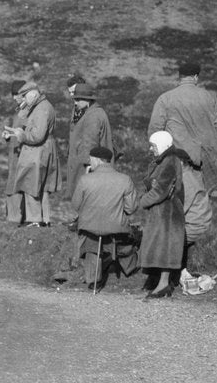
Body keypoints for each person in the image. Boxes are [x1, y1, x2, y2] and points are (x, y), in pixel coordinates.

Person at [147, 61, 217, 271]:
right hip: (204, 163)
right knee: (200, 210)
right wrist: (211, 150)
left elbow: (155, 131)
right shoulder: (209, 97)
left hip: (177, 163)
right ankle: (189, 259)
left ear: (179, 77)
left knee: (177, 209)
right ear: (196, 77)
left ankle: (171, 259)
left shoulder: (166, 98)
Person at [69, 146, 139, 289]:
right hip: (116, 227)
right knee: (125, 242)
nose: (89, 162)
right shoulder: (125, 179)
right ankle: (131, 270)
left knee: (91, 246)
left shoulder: (85, 180)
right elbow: (131, 208)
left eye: (90, 159)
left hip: (90, 228)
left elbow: (76, 205)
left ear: (96, 160)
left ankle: (93, 280)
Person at [139, 131, 189, 298]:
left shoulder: (169, 161)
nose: (151, 149)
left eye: (153, 146)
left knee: (165, 247)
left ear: (161, 145)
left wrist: (142, 201)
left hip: (167, 214)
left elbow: (160, 190)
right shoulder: (164, 161)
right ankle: (160, 283)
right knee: (160, 246)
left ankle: (163, 285)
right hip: (163, 212)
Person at [7, 81, 60, 227]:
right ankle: (43, 219)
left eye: (24, 96)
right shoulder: (39, 106)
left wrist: (22, 135)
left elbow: (37, 135)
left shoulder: (42, 109)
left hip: (38, 150)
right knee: (39, 185)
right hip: (40, 149)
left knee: (32, 183)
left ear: (33, 94)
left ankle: (35, 219)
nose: (22, 99)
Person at [65, 83, 113, 200]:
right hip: (90, 163)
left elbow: (90, 144)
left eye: (78, 99)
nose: (75, 103)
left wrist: (88, 167)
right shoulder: (92, 111)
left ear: (87, 100)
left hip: (88, 165)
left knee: (86, 199)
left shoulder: (92, 116)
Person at [2, 79, 28, 223]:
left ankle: (16, 218)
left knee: (17, 186)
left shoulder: (28, 111)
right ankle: (13, 218)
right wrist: (8, 137)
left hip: (21, 157)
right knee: (13, 185)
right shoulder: (18, 111)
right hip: (15, 155)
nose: (14, 98)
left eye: (17, 94)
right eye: (13, 94)